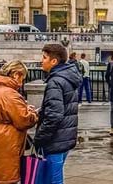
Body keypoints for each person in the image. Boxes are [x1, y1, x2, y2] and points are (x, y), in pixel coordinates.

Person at [0, 60, 39, 184]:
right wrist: (34, 115)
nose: (21, 82)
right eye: (22, 78)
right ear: (16, 74)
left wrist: (23, 108)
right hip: (7, 139)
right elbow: (24, 121)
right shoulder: (10, 94)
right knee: (8, 176)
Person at [34, 44, 81, 184]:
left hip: (55, 140)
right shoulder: (67, 77)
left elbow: (54, 115)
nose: (41, 61)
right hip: (64, 138)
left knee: (54, 181)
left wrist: (39, 137)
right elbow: (63, 106)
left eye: (44, 57)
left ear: (54, 61)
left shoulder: (55, 81)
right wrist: (42, 111)